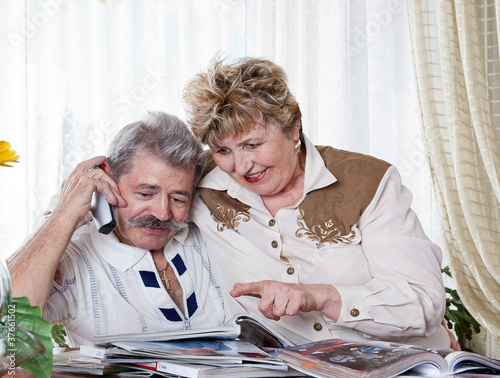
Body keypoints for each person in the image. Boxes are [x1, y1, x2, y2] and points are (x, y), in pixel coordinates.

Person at [183, 57, 453, 348]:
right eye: (223, 149)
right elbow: (141, 198)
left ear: (294, 127)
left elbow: (423, 302)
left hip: (408, 371)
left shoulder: (368, 181)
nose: (242, 165)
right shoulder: (199, 182)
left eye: (253, 144)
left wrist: (319, 296)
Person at [7, 111, 226, 347]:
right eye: (145, 193)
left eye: (178, 199)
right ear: (108, 181)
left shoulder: (209, 234)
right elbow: (8, 323)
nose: (162, 213)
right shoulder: (74, 256)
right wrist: (64, 212)